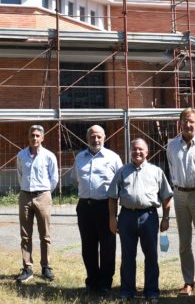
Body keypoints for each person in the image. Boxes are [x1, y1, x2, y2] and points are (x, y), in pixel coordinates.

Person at [108, 138, 173, 301]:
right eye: (134, 149)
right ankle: (126, 291)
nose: (137, 152)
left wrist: (165, 218)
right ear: (130, 151)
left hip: (149, 217)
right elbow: (112, 197)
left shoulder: (156, 171)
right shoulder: (122, 171)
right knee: (127, 256)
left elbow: (166, 197)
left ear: (147, 152)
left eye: (141, 149)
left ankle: (151, 292)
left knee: (151, 256)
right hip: (126, 217)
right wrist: (112, 218)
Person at [166, 107, 195, 296]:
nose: (188, 124)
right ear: (180, 122)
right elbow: (171, 168)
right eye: (185, 120)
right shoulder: (171, 145)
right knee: (184, 243)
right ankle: (188, 282)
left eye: (192, 121)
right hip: (180, 196)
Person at [71, 124, 123, 296]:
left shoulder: (113, 158)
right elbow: (77, 179)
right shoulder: (79, 157)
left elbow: (120, 184)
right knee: (88, 246)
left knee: (108, 246)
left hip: (105, 206)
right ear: (87, 138)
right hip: (85, 207)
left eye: (99, 136)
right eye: (92, 136)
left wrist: (113, 213)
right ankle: (92, 281)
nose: (96, 139)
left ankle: (105, 283)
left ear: (104, 137)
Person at [15, 124, 59, 283]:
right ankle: (27, 268)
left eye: (37, 135)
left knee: (45, 234)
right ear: (28, 137)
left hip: (43, 196)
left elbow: (54, 178)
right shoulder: (21, 155)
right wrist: (26, 190)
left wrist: (45, 193)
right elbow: (20, 175)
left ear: (42, 138)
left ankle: (46, 267)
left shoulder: (49, 156)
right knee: (25, 234)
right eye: (32, 135)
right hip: (25, 196)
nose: (34, 138)